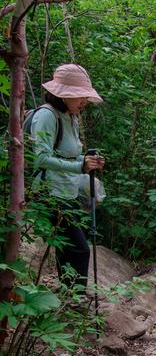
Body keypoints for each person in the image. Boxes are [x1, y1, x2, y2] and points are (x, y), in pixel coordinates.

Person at [29, 64, 105, 289]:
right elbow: (41, 159)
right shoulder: (46, 116)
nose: (84, 101)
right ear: (63, 95)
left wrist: (88, 162)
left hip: (67, 192)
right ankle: (75, 298)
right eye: (80, 96)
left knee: (68, 246)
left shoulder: (69, 116)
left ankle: (67, 294)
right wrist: (80, 166)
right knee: (80, 248)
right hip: (49, 193)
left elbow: (69, 154)